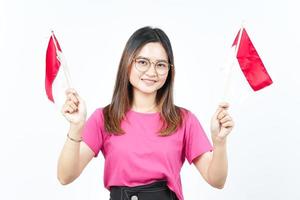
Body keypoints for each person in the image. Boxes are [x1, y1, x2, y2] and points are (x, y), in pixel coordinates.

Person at [57, 26, 234, 200]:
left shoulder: (184, 120)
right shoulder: (104, 118)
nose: (151, 72)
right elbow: (65, 176)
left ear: (169, 70)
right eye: (142, 62)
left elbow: (216, 180)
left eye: (161, 65)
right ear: (128, 62)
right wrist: (76, 126)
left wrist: (219, 142)